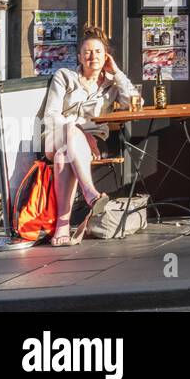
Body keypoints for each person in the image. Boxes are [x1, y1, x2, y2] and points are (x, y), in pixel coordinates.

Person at [40, 26, 141, 244]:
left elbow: (136, 104)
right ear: (79, 56)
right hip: (55, 137)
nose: (92, 56)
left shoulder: (111, 85)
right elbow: (52, 115)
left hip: (84, 147)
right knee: (67, 135)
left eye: (97, 51)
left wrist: (118, 73)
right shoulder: (64, 77)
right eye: (87, 52)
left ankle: (62, 226)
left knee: (62, 159)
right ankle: (90, 194)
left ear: (105, 56)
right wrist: (80, 132)